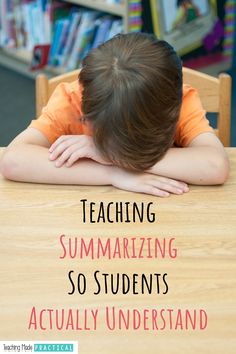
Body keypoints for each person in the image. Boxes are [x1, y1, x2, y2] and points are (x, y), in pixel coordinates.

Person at [0, 33, 229, 197]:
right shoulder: (71, 101)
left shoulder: (176, 101)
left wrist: (111, 157)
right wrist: (113, 174)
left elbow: (215, 166)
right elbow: (14, 161)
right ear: (86, 116)